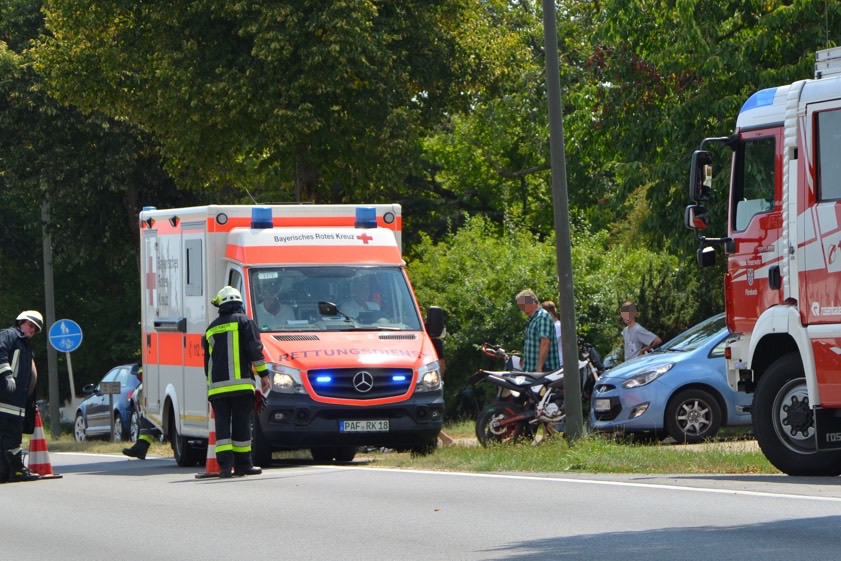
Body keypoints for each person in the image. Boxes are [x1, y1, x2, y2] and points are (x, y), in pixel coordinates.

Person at [203, 286, 270, 478]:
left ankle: (225, 467)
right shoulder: (245, 322)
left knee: (222, 427)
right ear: (239, 303)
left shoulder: (211, 329)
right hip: (241, 387)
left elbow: (207, 362)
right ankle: (243, 465)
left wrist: (210, 385)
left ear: (221, 306)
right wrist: (263, 375)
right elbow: (254, 350)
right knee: (242, 425)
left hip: (217, 389)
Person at [0, 311, 44, 483]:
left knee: (9, 437)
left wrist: (30, 403)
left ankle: (6, 472)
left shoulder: (26, 346)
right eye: (30, 325)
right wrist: (7, 374)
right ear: (20, 322)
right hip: (5, 399)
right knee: (10, 436)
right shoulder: (10, 335)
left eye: (36, 329)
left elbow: (29, 378)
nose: (32, 330)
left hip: (17, 402)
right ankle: (17, 471)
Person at [515, 289, 560, 373]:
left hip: (544, 370)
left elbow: (545, 343)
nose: (521, 309)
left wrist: (539, 368)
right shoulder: (534, 319)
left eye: (522, 305)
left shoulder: (542, 317)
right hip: (532, 370)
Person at [122, 367, 162, 460]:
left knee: (148, 418)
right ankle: (141, 447)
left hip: (155, 384)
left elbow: (143, 370)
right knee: (147, 419)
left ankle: (141, 447)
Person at [541, 300, 564, 368]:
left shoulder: (557, 326)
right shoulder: (556, 325)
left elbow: (548, 344)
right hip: (556, 361)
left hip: (559, 362)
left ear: (550, 313)